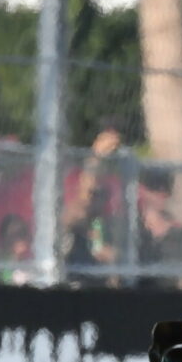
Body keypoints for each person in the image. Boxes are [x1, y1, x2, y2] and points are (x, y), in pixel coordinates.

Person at [62, 121, 125, 282]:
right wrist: (96, 158)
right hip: (75, 265)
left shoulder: (119, 184)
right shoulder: (75, 179)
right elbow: (80, 206)